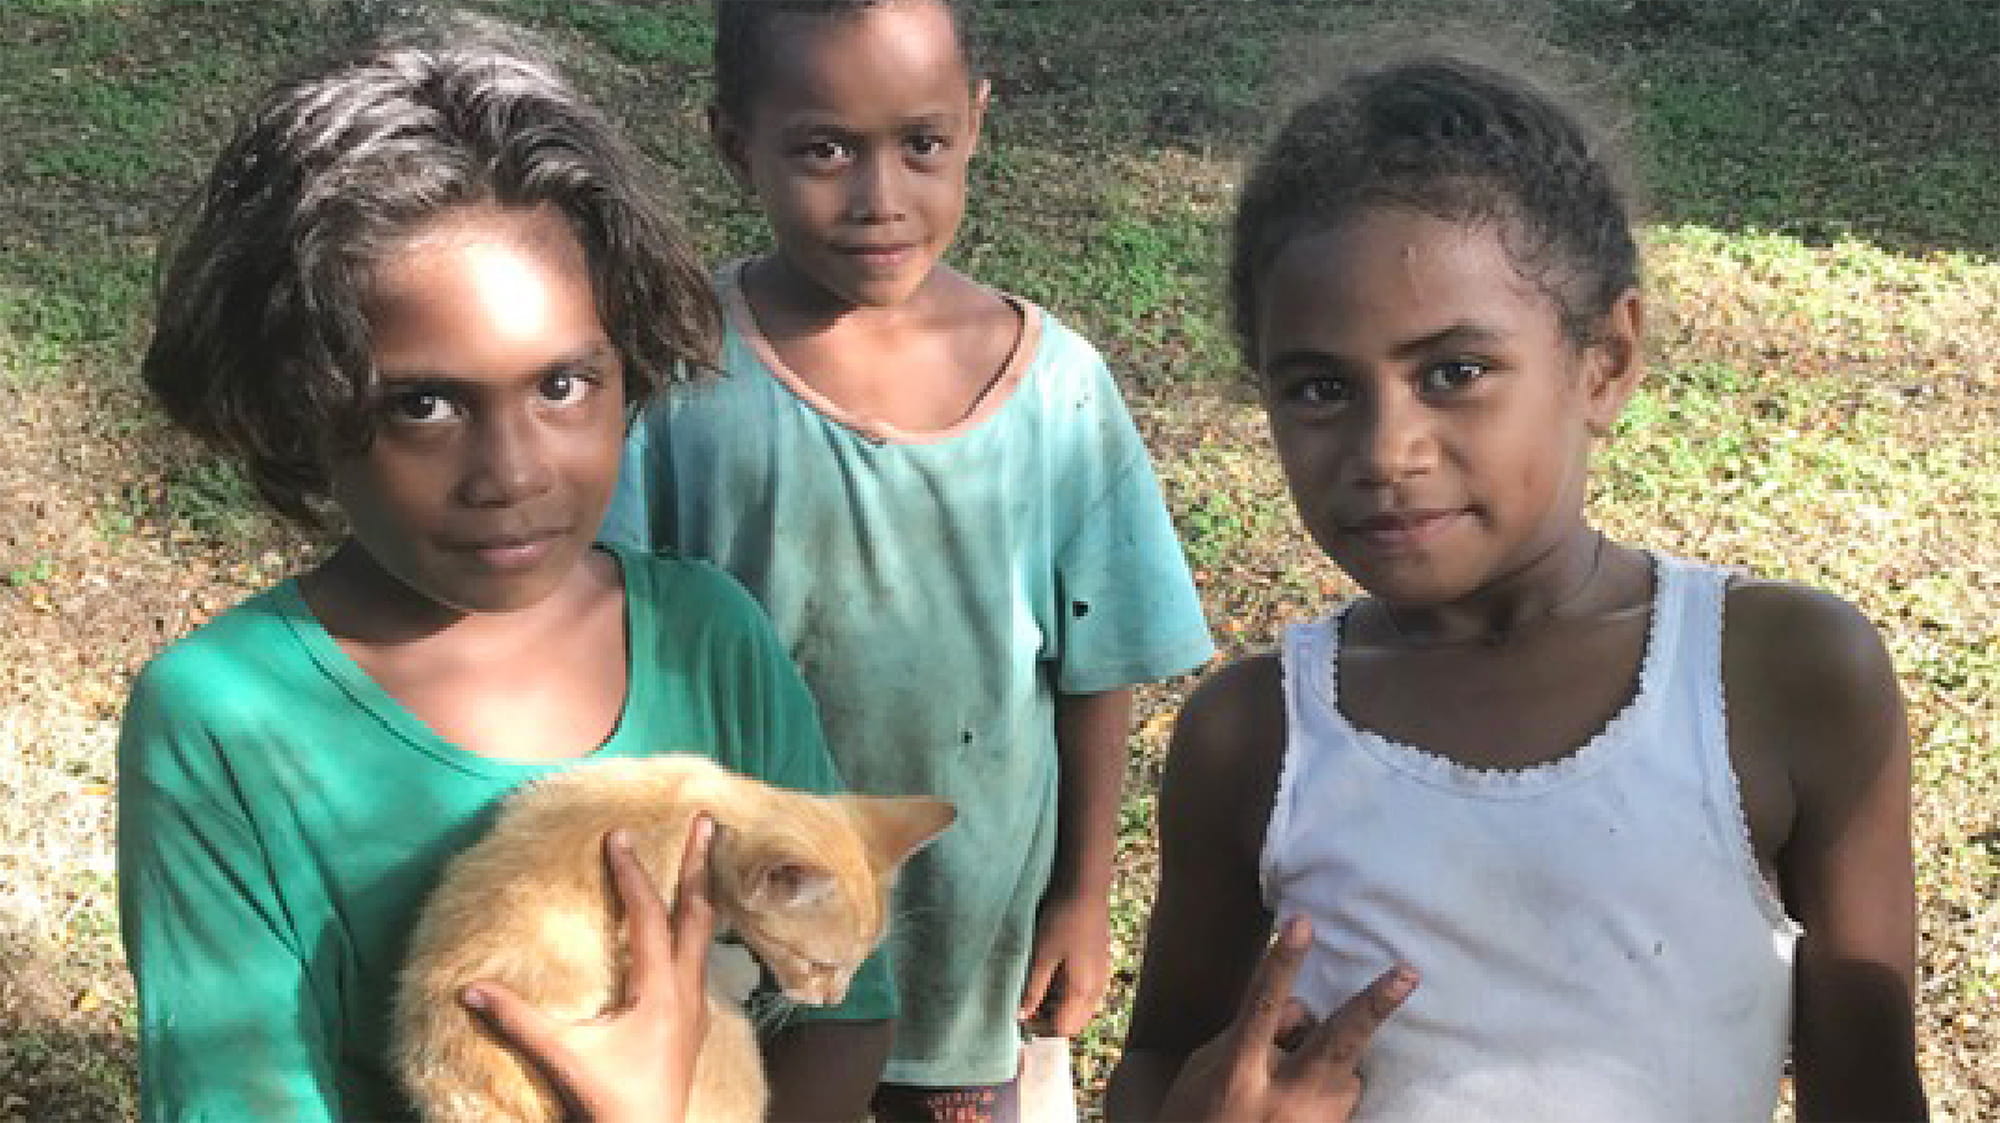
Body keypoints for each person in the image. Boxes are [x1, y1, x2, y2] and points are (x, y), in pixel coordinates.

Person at [1104, 48, 1926, 1123]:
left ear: (1605, 361)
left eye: (1453, 372)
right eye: (1317, 388)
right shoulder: (1253, 734)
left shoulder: (1776, 678)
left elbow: (1867, 1092)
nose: (1385, 449)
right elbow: (1157, 1062)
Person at [118, 15, 895, 1121]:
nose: (513, 473)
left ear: (628, 358)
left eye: (563, 385)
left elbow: (842, 1025)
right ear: (297, 398)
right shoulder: (221, 725)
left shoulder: (707, 637)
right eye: (423, 404)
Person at [602, 0, 1215, 1116]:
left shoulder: (1056, 390)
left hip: (974, 955)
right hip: (742, 948)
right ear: (734, 143)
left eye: (921, 143)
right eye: (824, 150)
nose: (879, 197)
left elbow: (1094, 672)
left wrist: (1083, 895)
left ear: (975, 122)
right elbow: (613, 650)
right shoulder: (678, 378)